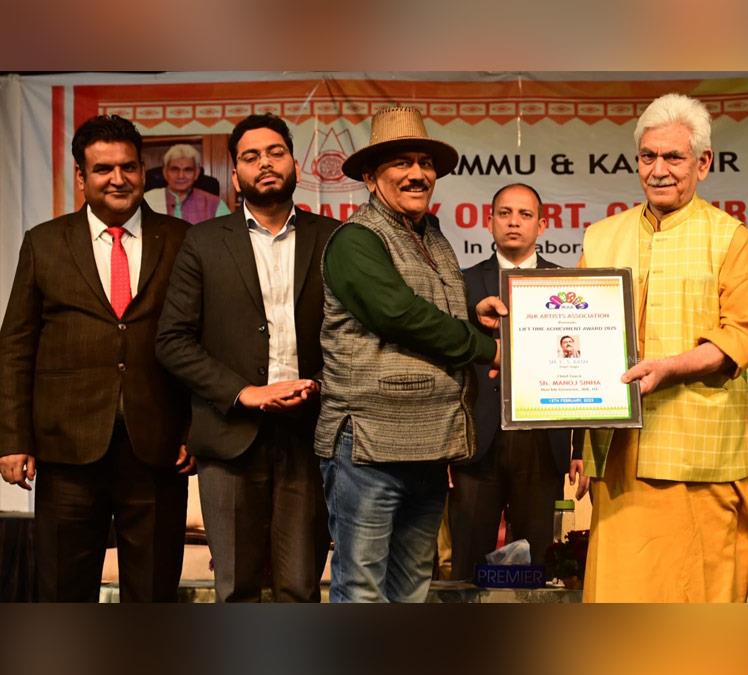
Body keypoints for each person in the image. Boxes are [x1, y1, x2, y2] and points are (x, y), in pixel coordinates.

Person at [575, 93, 748, 602]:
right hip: (618, 454)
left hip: (697, 452)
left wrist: (672, 367)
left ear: (703, 163)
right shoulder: (601, 238)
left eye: (673, 157)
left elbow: (742, 334)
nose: (658, 170)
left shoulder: (730, 238)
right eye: (648, 156)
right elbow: (570, 326)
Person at [0, 115, 193, 601]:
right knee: (63, 593)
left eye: (129, 167)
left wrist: (196, 431)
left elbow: (203, 343)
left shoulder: (184, 239)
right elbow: (16, 347)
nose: (118, 178)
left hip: (159, 450)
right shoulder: (44, 242)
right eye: (103, 169)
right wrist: (12, 439)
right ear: (81, 178)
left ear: (144, 173)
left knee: (152, 597)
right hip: (67, 451)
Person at [316, 106, 499, 602]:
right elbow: (400, 316)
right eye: (401, 163)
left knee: (412, 587)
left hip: (429, 444)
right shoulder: (356, 240)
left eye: (424, 162)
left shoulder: (432, 236)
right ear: (372, 177)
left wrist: (472, 309)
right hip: (371, 447)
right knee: (362, 590)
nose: (417, 174)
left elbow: (430, 306)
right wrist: (488, 347)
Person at [155, 114, 338, 602]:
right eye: (251, 157)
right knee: (235, 588)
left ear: (295, 164)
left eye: (275, 152)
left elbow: (355, 338)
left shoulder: (335, 239)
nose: (265, 164)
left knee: (301, 587)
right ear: (235, 175)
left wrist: (315, 384)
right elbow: (172, 340)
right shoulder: (204, 241)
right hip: (229, 436)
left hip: (310, 432)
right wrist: (244, 393)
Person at [448, 183, 583, 579]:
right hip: (476, 441)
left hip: (542, 440)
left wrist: (581, 445)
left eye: (524, 215)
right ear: (489, 222)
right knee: (468, 565)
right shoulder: (461, 283)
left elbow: (581, 368)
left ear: (542, 225)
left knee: (535, 564)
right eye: (504, 213)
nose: (513, 222)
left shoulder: (568, 287)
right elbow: (446, 361)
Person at [143, 144, 231, 224]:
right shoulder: (147, 199)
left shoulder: (214, 204)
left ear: (196, 173)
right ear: (165, 172)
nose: (181, 176)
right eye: (174, 169)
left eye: (188, 170)